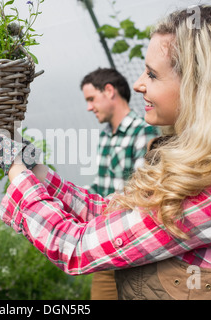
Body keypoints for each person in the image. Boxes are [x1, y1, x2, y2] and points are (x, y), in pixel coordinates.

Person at [0, 5, 211, 300]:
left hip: (111, 256)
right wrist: (29, 164)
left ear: (200, 86)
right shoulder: (203, 164)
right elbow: (109, 210)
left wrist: (11, 164)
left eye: (152, 73)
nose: (138, 84)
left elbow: (74, 246)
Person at [80, 68, 158, 300]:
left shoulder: (143, 131)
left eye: (91, 99)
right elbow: (101, 187)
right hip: (106, 244)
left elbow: (141, 195)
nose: (89, 107)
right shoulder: (106, 134)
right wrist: (69, 196)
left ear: (110, 91)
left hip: (130, 245)